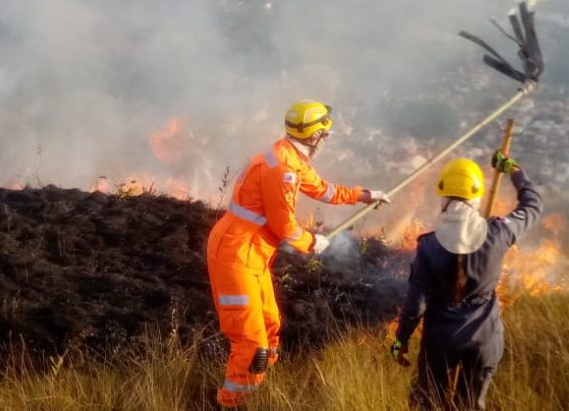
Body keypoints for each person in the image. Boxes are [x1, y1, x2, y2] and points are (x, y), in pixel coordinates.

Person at [207, 99, 391, 408]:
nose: (326, 141)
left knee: (270, 326)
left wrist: (364, 195)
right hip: (236, 254)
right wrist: (311, 242)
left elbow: (322, 189)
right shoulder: (283, 169)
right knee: (252, 342)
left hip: (251, 253)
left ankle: (256, 391)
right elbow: (284, 227)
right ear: (315, 135)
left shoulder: (289, 155)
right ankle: (231, 403)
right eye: (325, 135)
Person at [388, 151, 542, 410]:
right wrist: (513, 169)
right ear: (476, 197)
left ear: (443, 196)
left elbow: (415, 305)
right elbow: (533, 205)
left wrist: (400, 341)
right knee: (469, 405)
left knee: (430, 403)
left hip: (440, 342)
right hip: (485, 340)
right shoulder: (499, 233)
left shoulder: (428, 245)